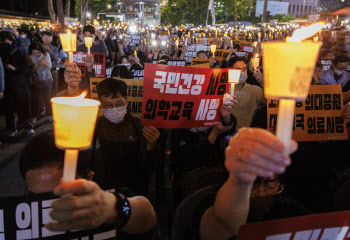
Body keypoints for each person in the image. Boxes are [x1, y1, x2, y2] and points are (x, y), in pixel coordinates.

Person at [18, 131, 158, 238]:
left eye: (61, 193)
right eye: (36, 196)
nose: (49, 203)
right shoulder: (18, 219)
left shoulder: (106, 198)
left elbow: (146, 215)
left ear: (89, 179)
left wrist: (115, 208)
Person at [196, 128, 310, 240]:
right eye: (253, 184)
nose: (261, 191)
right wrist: (239, 182)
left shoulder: (284, 207)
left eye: (270, 185)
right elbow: (221, 227)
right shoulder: (214, 203)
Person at [168, 97, 237, 205]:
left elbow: (230, 126)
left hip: (218, 177)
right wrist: (213, 135)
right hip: (192, 183)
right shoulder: (179, 130)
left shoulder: (212, 121)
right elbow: (195, 161)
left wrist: (226, 115)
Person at [0, 31, 34, 136]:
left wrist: (14, 68)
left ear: (10, 41)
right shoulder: (1, 53)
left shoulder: (18, 53)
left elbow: (26, 69)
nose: (2, 43)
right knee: (8, 107)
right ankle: (11, 128)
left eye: (3, 40)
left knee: (23, 105)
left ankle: (28, 126)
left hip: (20, 83)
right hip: (6, 83)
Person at [228, 57, 266, 133]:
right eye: (238, 69)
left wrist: (263, 82)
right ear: (230, 71)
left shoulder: (255, 90)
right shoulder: (223, 90)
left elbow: (266, 102)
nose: (242, 72)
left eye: (244, 69)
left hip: (249, 134)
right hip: (228, 134)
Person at [27, 42, 53, 122]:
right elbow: (30, 69)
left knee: (47, 98)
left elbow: (49, 66)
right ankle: (34, 116)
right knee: (35, 100)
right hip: (35, 81)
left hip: (46, 79)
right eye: (34, 52)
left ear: (42, 51)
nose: (36, 54)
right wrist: (38, 63)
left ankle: (49, 114)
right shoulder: (29, 57)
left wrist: (44, 62)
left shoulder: (46, 55)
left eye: (38, 53)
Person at [41, 31, 60, 96]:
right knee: (44, 89)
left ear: (51, 39)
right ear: (42, 39)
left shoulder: (54, 48)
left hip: (53, 70)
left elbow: (57, 59)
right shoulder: (39, 47)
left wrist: (49, 50)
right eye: (45, 37)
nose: (46, 39)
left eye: (48, 37)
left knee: (54, 88)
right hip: (43, 71)